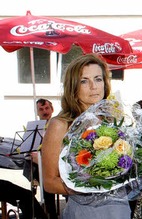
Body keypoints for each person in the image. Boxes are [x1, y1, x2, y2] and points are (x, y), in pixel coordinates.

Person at [40, 54, 132, 218]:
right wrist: (90, 186)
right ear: (73, 87)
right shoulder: (60, 125)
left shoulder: (112, 120)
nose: (93, 86)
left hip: (119, 207)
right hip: (85, 211)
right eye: (84, 81)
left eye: (98, 79)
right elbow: (49, 182)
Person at [23, 98, 58, 219]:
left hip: (57, 163)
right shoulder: (34, 128)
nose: (44, 111)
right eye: (41, 109)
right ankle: (44, 212)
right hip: (40, 165)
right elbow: (26, 150)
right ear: (37, 112)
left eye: (47, 108)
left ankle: (54, 212)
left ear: (52, 109)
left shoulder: (58, 125)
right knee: (43, 174)